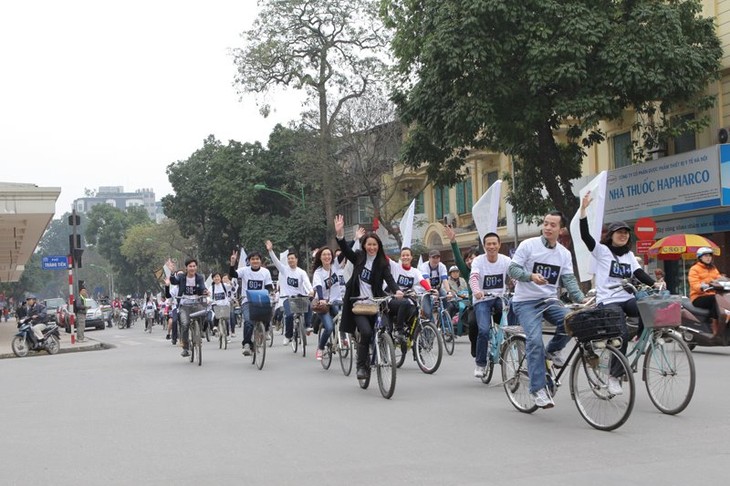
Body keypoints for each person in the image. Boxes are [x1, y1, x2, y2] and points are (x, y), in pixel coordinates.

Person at [579, 192, 656, 394]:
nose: (623, 234)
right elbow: (585, 236)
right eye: (619, 232)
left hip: (626, 298)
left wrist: (655, 285)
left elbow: (638, 273)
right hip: (608, 301)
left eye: (626, 232)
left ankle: (640, 339)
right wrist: (583, 210)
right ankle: (614, 377)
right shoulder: (602, 251)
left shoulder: (629, 255)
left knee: (646, 305)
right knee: (620, 334)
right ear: (611, 235)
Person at [508, 211, 585, 409]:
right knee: (534, 340)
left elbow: (569, 280)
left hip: (549, 300)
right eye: (546, 223)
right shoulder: (528, 245)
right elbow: (513, 270)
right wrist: (530, 276)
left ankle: (551, 350)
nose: (548, 228)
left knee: (573, 319)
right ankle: (538, 390)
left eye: (553, 225)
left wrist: (583, 301)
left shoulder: (564, 253)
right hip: (525, 302)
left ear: (561, 230)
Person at [334, 215, 403, 380]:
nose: (372, 247)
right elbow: (345, 250)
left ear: (379, 246)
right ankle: (361, 367)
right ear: (364, 245)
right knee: (365, 333)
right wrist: (340, 234)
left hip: (376, 305)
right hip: (359, 306)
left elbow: (390, 280)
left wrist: (397, 291)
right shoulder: (358, 257)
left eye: (375, 245)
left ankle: (383, 352)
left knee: (385, 328)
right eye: (369, 244)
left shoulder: (383, 263)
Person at [469, 232, 511, 379]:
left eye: (494, 243)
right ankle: (480, 364)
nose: (492, 246)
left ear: (499, 245)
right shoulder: (478, 261)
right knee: (484, 330)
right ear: (484, 246)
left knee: (510, 327)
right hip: (482, 300)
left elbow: (514, 277)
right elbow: (473, 277)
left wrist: (519, 288)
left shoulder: (506, 260)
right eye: (489, 244)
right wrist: (476, 291)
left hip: (500, 298)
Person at [266, 241, 314, 344]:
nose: (290, 260)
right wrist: (270, 251)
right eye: (289, 259)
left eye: (292, 258)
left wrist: (310, 291)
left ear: (296, 259)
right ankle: (288, 336)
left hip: (299, 298)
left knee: (309, 304)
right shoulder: (284, 270)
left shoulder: (301, 272)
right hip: (287, 298)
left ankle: (308, 326)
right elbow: (276, 262)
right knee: (289, 316)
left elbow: (307, 282)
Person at [229, 250, 274, 356]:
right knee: (249, 322)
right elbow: (233, 274)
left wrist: (270, 293)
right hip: (247, 301)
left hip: (261, 301)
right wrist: (232, 263)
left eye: (257, 259)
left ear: (260, 261)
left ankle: (265, 331)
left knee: (269, 313)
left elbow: (268, 287)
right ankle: (247, 344)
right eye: (252, 259)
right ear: (249, 261)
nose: (255, 261)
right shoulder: (244, 270)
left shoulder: (265, 272)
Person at [168, 258, 209, 358]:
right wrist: (172, 272)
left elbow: (202, 287)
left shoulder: (199, 277)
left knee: (204, 314)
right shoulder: (181, 277)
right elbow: (173, 281)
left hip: (196, 303)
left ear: (196, 267)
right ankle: (185, 348)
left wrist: (205, 292)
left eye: (194, 266)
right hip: (184, 305)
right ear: (186, 268)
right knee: (185, 324)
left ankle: (199, 333)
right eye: (190, 266)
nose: (192, 268)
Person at [389, 247, 433, 335]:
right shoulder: (395, 267)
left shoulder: (415, 271)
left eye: (407, 255)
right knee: (405, 303)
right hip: (394, 300)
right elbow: (384, 257)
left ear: (411, 257)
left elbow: (422, 281)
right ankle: (399, 329)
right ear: (400, 257)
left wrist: (430, 290)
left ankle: (414, 339)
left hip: (407, 300)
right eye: (403, 255)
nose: (405, 257)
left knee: (416, 309)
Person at [311, 247, 342, 360]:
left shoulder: (335, 266)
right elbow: (318, 286)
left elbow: (345, 252)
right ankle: (320, 347)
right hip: (323, 304)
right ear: (320, 257)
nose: (327, 257)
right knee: (329, 327)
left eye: (329, 254)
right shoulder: (318, 272)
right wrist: (322, 298)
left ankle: (341, 339)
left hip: (336, 300)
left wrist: (355, 239)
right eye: (324, 255)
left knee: (341, 319)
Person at [688, 246, 723, 338]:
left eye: (710, 256)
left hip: (712, 295)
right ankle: (713, 324)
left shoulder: (713, 268)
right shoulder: (694, 269)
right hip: (698, 297)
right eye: (705, 256)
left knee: (722, 299)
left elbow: (719, 279)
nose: (708, 258)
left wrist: (724, 282)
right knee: (716, 300)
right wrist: (702, 287)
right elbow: (694, 284)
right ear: (700, 257)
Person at [418, 249, 451, 319]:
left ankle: (445, 324)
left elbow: (444, 279)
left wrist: (448, 292)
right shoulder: (424, 266)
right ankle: (432, 327)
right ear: (429, 258)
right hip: (425, 291)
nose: (436, 260)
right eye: (433, 257)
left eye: (437, 257)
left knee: (449, 304)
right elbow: (426, 280)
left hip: (438, 288)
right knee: (428, 311)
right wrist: (431, 291)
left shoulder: (442, 266)